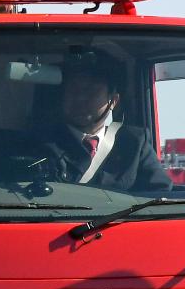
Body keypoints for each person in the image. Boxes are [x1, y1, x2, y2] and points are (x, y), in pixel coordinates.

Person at [36, 50, 167, 191]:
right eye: (73, 90)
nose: (80, 98)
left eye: (90, 91)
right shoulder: (40, 141)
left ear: (113, 101)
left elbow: (159, 193)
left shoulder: (134, 142)